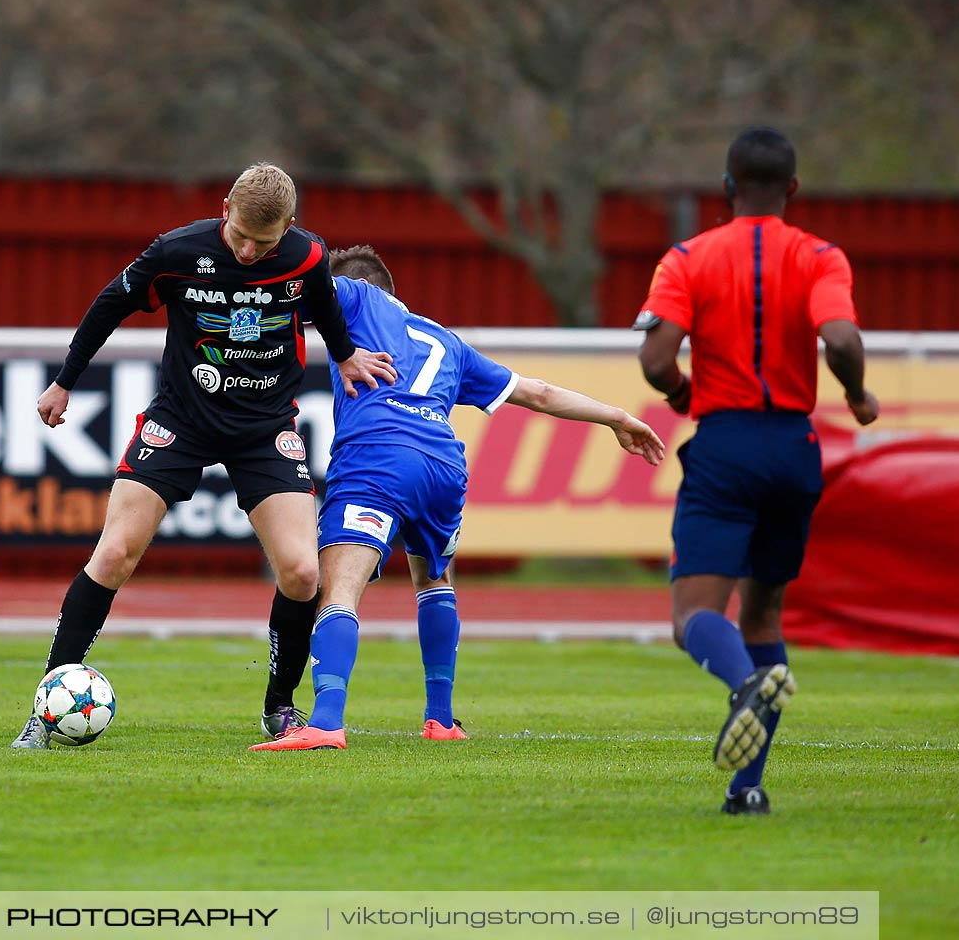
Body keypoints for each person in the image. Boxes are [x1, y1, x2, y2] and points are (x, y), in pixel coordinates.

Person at [13, 164, 397, 748]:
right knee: (115, 551)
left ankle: (279, 707)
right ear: (225, 208)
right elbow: (108, 305)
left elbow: (325, 308)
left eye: (263, 242)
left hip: (264, 428)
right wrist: (64, 381)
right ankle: (44, 708)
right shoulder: (177, 251)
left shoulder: (307, 257)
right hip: (180, 423)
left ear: (289, 228)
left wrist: (345, 356)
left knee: (301, 571)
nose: (247, 249)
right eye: (239, 233)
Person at [252, 245, 666, 751]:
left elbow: (303, 285)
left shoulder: (354, 297)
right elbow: (535, 392)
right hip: (444, 466)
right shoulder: (446, 341)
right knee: (434, 583)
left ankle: (326, 722)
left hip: (377, 455)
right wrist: (616, 417)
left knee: (340, 590)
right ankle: (441, 719)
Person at [635, 127, 879, 815]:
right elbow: (839, 337)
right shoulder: (821, 256)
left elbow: (656, 361)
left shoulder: (687, 258)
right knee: (764, 614)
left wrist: (682, 395)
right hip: (794, 447)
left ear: (727, 187)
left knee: (694, 619)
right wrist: (857, 395)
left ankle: (743, 683)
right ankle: (748, 790)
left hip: (727, 444)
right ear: (793, 189)